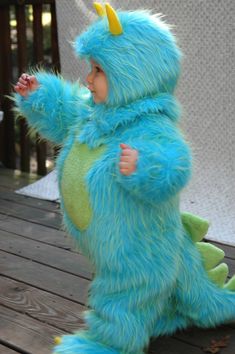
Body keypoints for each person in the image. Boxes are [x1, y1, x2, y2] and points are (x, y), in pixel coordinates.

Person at [14, 3, 235, 354]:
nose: (88, 78)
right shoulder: (94, 110)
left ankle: (109, 344)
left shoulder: (149, 126)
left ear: (134, 75)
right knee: (165, 289)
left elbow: (173, 166)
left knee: (124, 293)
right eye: (91, 68)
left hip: (139, 247)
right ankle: (172, 311)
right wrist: (38, 96)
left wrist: (143, 166)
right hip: (113, 244)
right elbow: (65, 112)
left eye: (99, 70)